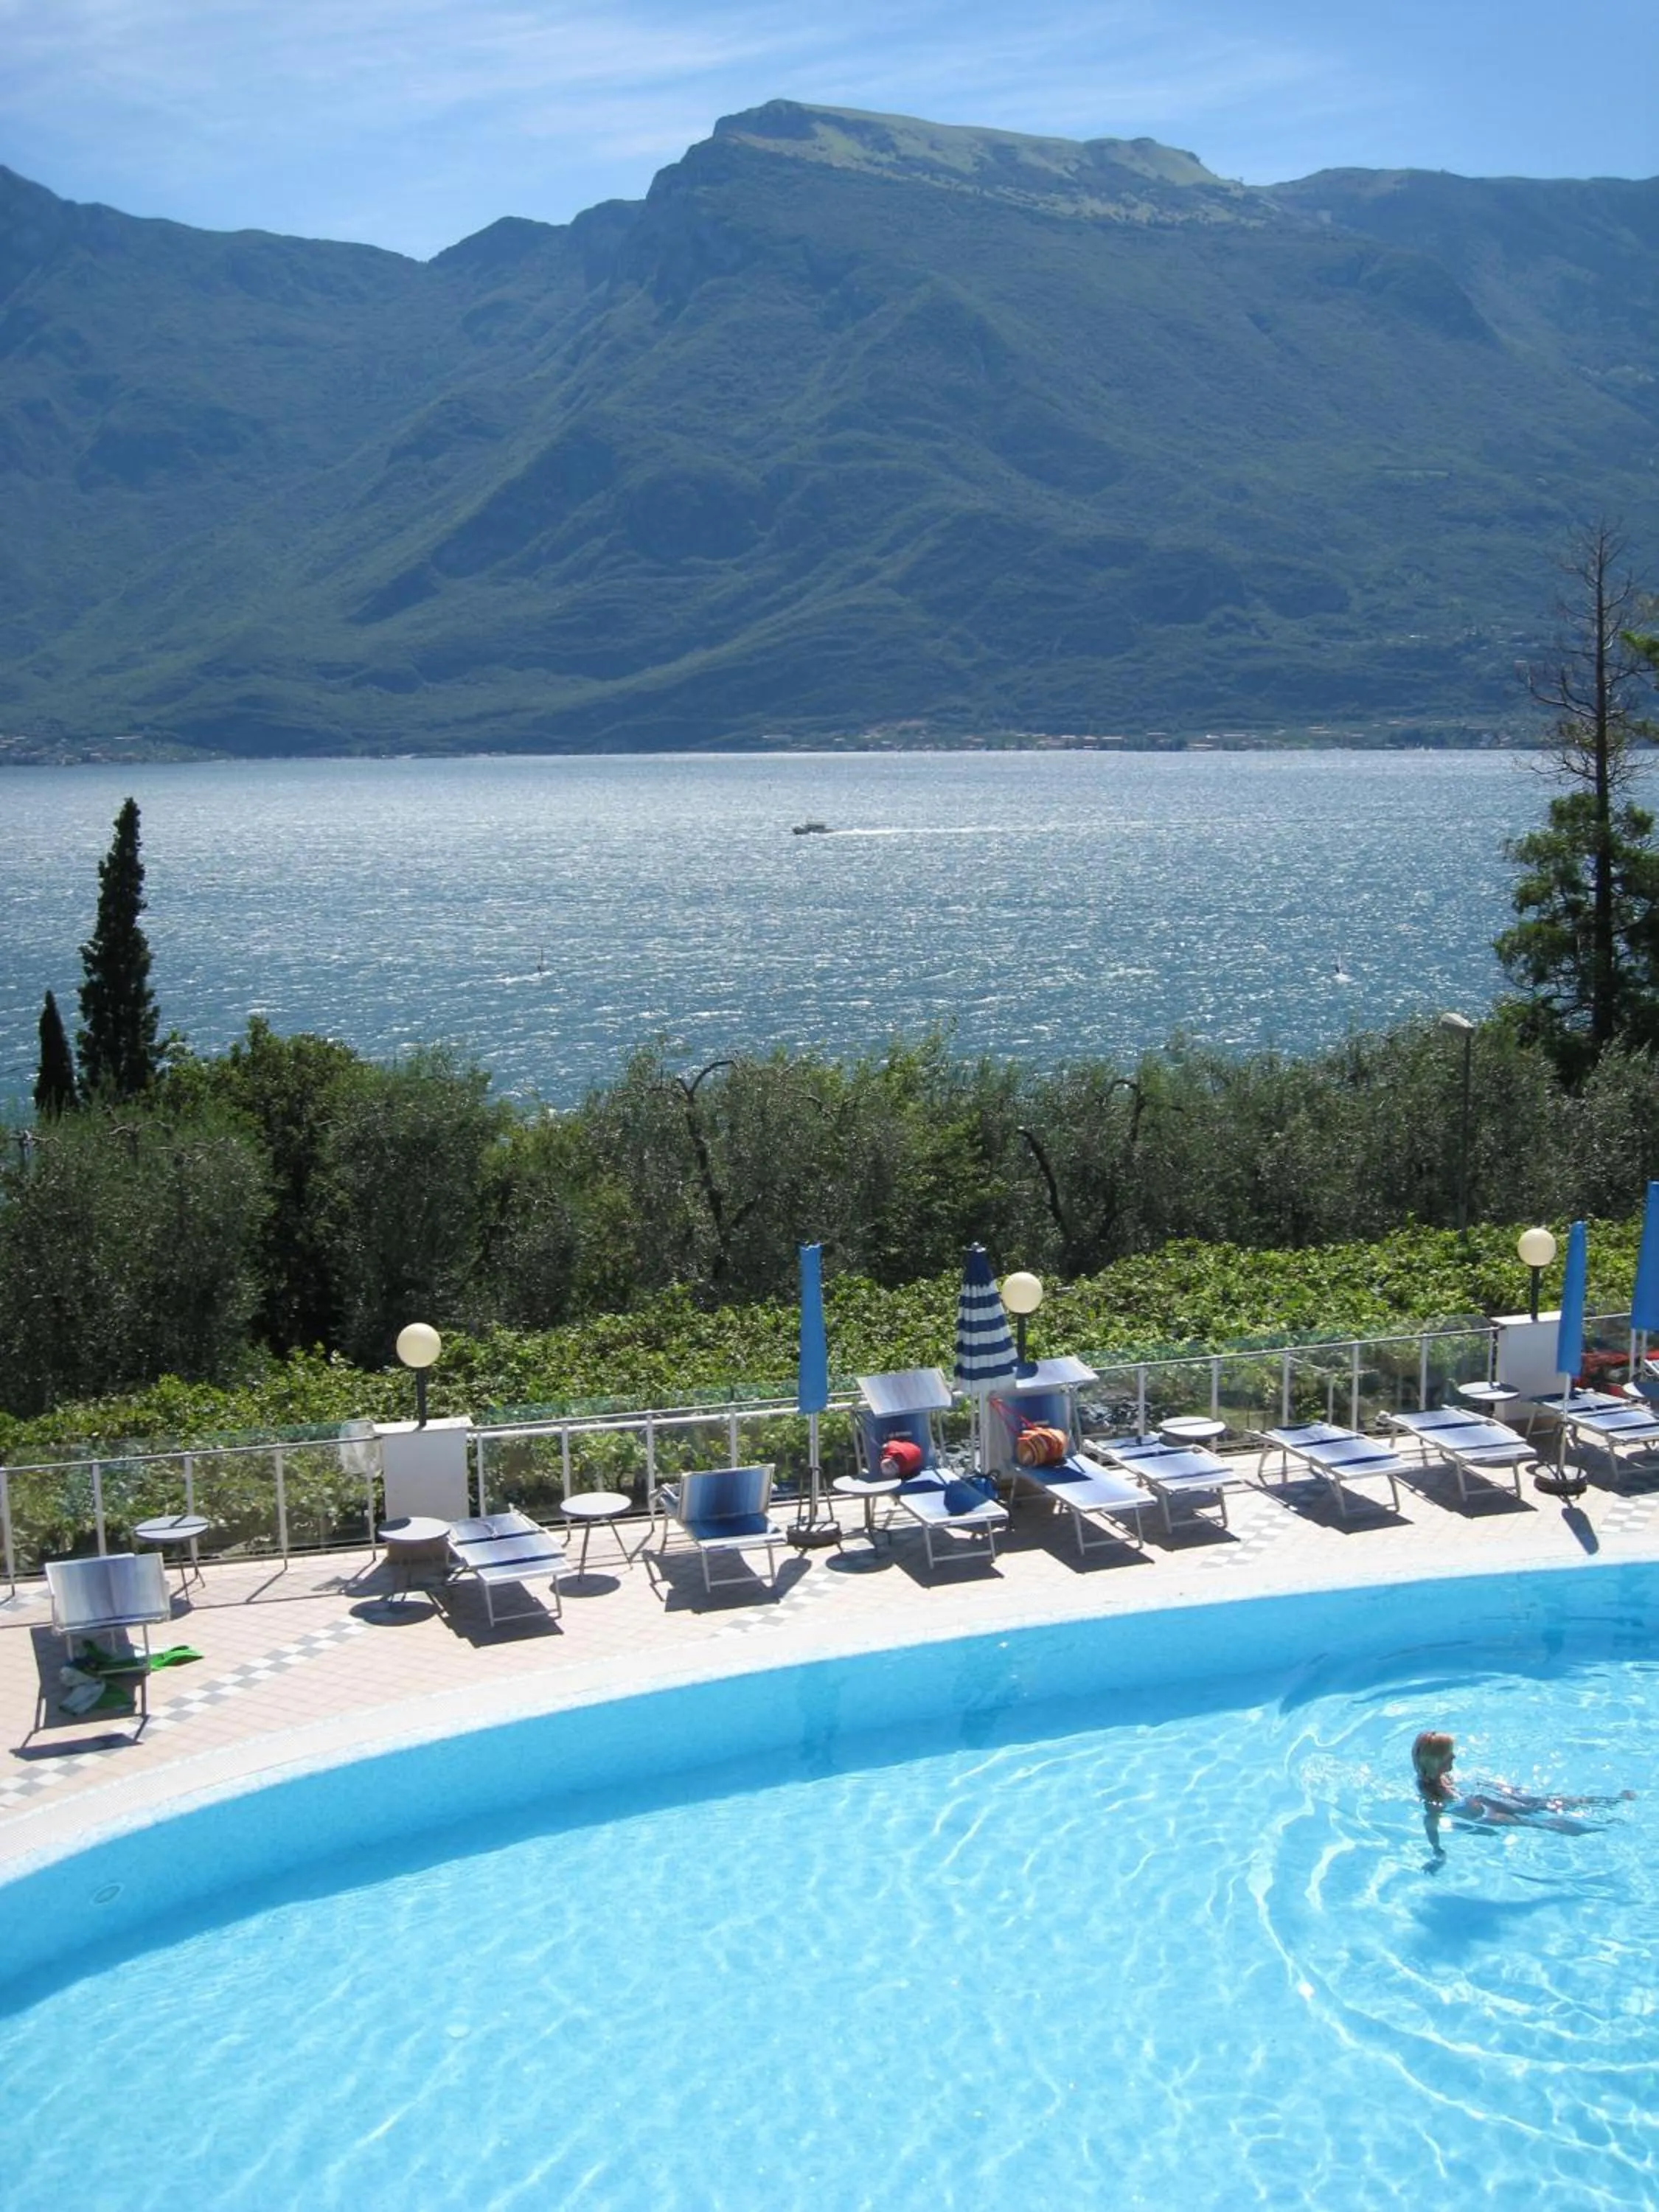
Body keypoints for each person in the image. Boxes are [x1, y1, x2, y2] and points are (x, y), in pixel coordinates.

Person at [1413, 1730, 1631, 1854]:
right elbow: (1431, 1821)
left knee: (1541, 1802)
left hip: (1483, 1803)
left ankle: (1608, 1802)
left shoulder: (1443, 1776)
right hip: (1484, 1817)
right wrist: (1437, 1850)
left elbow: (1473, 1786)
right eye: (1450, 1755)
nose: (1455, 1758)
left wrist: (1500, 1789)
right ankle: (1601, 1827)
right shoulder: (1431, 1792)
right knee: (1536, 1822)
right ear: (1436, 1762)